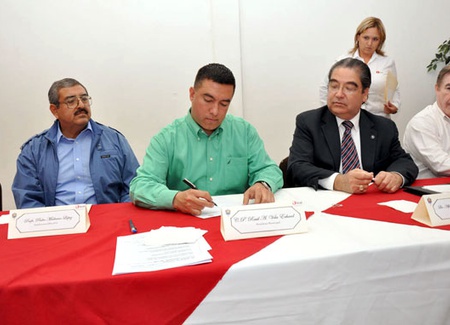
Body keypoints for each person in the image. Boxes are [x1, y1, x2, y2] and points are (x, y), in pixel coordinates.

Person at [130, 63, 283, 216]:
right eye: (208, 100)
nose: (215, 111)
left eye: (224, 104)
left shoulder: (244, 132)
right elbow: (141, 186)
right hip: (187, 222)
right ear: (192, 94)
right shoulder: (167, 138)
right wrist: (175, 198)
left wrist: (263, 184)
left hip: (235, 219)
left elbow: (268, 169)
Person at [287, 58, 417, 194]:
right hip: (325, 201)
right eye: (334, 86)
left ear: (365, 94)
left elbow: (405, 162)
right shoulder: (309, 122)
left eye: (349, 88)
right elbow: (297, 166)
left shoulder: (383, 127)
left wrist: (396, 176)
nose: (339, 94)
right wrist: (338, 181)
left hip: (369, 202)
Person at [12, 78, 139, 208]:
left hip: (106, 220)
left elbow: (133, 185)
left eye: (84, 99)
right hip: (56, 223)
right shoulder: (34, 150)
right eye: (71, 101)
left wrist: (120, 215)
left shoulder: (114, 140)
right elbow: (27, 197)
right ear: (54, 110)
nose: (81, 105)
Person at [319, 17, 400, 119]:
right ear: (358, 37)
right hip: (348, 120)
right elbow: (325, 87)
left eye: (375, 39)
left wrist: (395, 106)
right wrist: (329, 115)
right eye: (366, 38)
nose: (369, 43)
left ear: (380, 41)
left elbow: (394, 88)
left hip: (379, 119)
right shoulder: (343, 60)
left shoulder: (387, 62)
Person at [403, 65, 450, 179]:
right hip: (425, 193)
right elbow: (441, 165)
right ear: (437, 89)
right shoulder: (422, 122)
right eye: (449, 88)